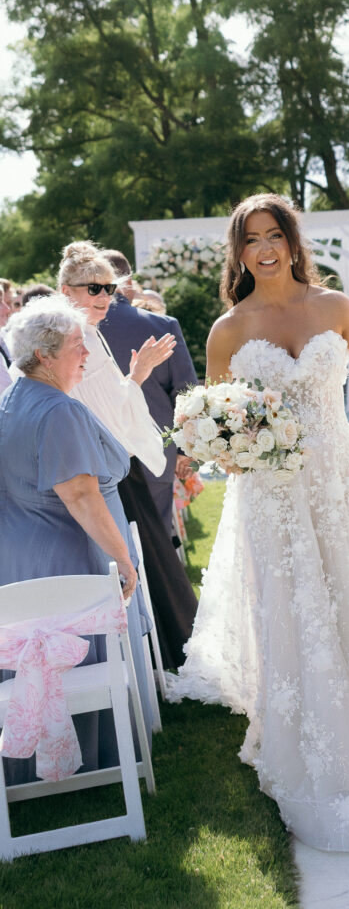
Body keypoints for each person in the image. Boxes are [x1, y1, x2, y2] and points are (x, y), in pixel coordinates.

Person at [169, 192, 349, 852]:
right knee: (292, 612)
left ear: (291, 240)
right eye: (251, 238)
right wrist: (236, 448)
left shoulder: (336, 308)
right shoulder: (228, 329)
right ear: (239, 250)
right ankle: (313, 756)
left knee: (347, 602)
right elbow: (215, 425)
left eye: (273, 234)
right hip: (270, 492)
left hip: (336, 480)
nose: (264, 248)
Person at [0, 295, 154, 784]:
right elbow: (83, 494)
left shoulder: (11, 400)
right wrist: (123, 559)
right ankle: (88, 768)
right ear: (44, 355)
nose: (85, 353)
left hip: (21, 563)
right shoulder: (57, 410)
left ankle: (38, 770)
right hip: (66, 564)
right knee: (79, 668)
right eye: (75, 345)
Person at [58, 241, 197, 669]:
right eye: (94, 289)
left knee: (150, 559)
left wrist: (135, 376)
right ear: (67, 292)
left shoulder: (89, 331)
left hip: (116, 463)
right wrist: (137, 374)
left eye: (110, 288)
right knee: (142, 562)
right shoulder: (74, 334)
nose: (105, 297)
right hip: (102, 469)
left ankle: (160, 658)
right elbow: (99, 411)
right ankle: (157, 660)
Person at [99, 249, 198, 535]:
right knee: (155, 538)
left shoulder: (78, 328)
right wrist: (183, 449)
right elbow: (185, 392)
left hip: (100, 451)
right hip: (156, 448)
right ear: (127, 281)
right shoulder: (162, 325)